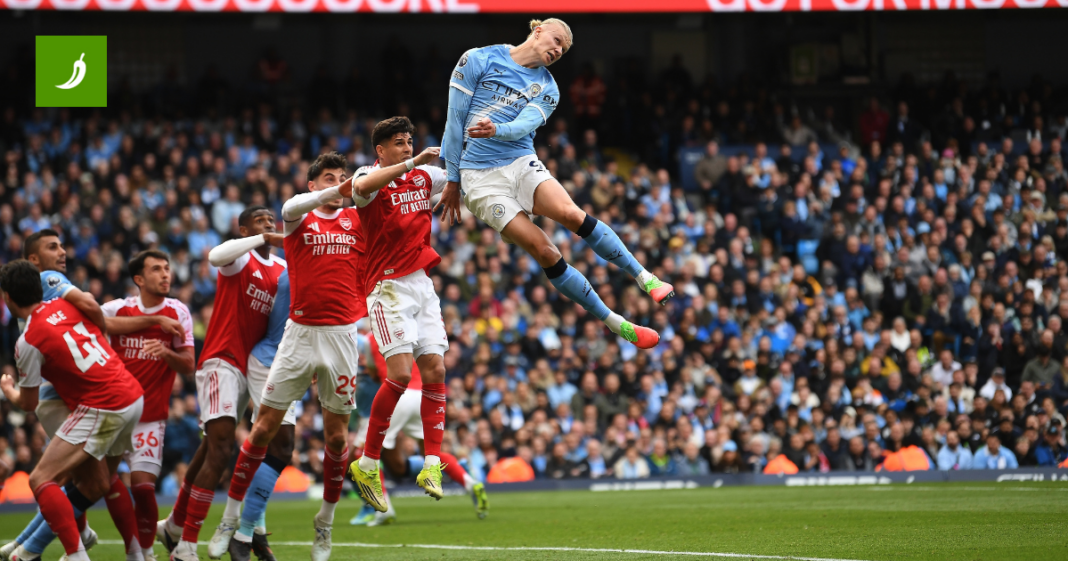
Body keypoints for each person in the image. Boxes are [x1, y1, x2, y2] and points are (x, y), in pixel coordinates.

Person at [436, 18, 670, 350]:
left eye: (564, 49)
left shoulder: (548, 88)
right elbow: (454, 121)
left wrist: (497, 130)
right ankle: (616, 323)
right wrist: (453, 179)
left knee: (571, 214)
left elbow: (521, 126)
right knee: (546, 250)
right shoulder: (477, 59)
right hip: (480, 178)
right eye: (557, 40)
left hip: (519, 160)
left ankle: (646, 278)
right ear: (538, 30)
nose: (558, 50)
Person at [2, 232, 186, 561]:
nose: (62, 252)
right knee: (96, 480)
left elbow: (26, 402)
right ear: (33, 263)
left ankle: (60, 550)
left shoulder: (30, 332)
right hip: (128, 393)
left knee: (51, 479)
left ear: (7, 297)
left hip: (89, 400)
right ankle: (117, 550)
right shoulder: (61, 301)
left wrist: (7, 389)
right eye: (53, 247)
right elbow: (92, 309)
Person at [218, 152, 364, 561]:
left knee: (333, 439)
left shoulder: (356, 221)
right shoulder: (300, 219)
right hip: (292, 342)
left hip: (339, 338)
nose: (340, 184)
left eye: (344, 177)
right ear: (313, 184)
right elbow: (288, 210)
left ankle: (323, 523)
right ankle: (233, 522)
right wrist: (334, 191)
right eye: (329, 178)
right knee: (264, 435)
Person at [346, 117, 462, 507]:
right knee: (398, 373)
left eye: (410, 141)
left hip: (422, 284)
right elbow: (359, 187)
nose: (408, 147)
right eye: (399, 143)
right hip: (387, 287)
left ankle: (431, 463)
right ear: (381, 150)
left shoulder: (426, 177)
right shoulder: (369, 175)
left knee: (436, 370)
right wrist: (415, 164)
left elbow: (461, 176)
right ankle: (367, 462)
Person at [160, 206, 287, 561]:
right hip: (221, 360)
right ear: (243, 228)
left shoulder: (282, 270)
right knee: (220, 448)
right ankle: (185, 545)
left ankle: (172, 527)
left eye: (270, 220)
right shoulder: (240, 258)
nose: (268, 224)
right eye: (259, 221)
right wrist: (260, 239)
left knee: (210, 448)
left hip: (255, 368)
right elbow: (215, 255)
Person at [100, 251, 196, 561]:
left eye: (167, 268)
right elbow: (97, 322)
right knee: (95, 484)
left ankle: (145, 554)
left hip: (150, 417)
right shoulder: (117, 308)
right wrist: (154, 321)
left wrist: (166, 354)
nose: (166, 274)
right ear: (139, 279)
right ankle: (122, 550)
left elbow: (189, 366)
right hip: (112, 414)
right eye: (156, 269)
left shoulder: (179, 311)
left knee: (142, 489)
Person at [358, 334, 489, 526]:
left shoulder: (372, 338)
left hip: (398, 394)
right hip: (422, 394)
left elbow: (373, 372)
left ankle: (384, 509)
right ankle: (470, 482)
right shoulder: (414, 332)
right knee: (432, 452)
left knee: (369, 453)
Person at [216, 269, 296, 561]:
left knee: (274, 448)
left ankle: (254, 532)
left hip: (291, 364)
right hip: (271, 361)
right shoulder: (296, 273)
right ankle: (239, 531)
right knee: (280, 445)